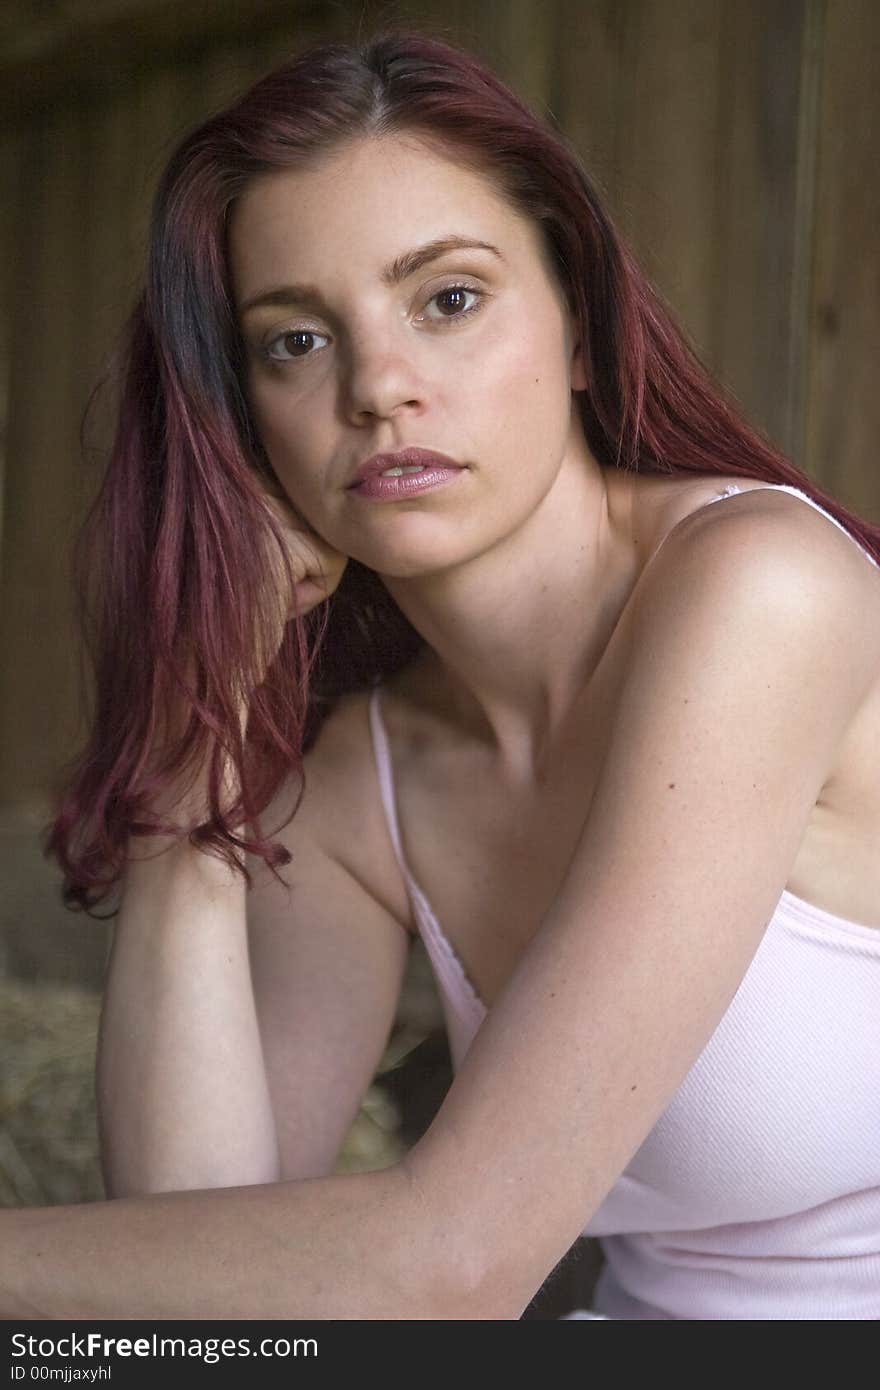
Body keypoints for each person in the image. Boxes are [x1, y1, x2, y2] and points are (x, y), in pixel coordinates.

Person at [7, 28, 880, 1320]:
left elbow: (458, 1260)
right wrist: (197, 758)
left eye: (449, 299)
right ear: (246, 425)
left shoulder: (760, 589)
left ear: (581, 329)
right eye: (294, 341)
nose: (380, 388)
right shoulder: (365, 786)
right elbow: (198, 1288)